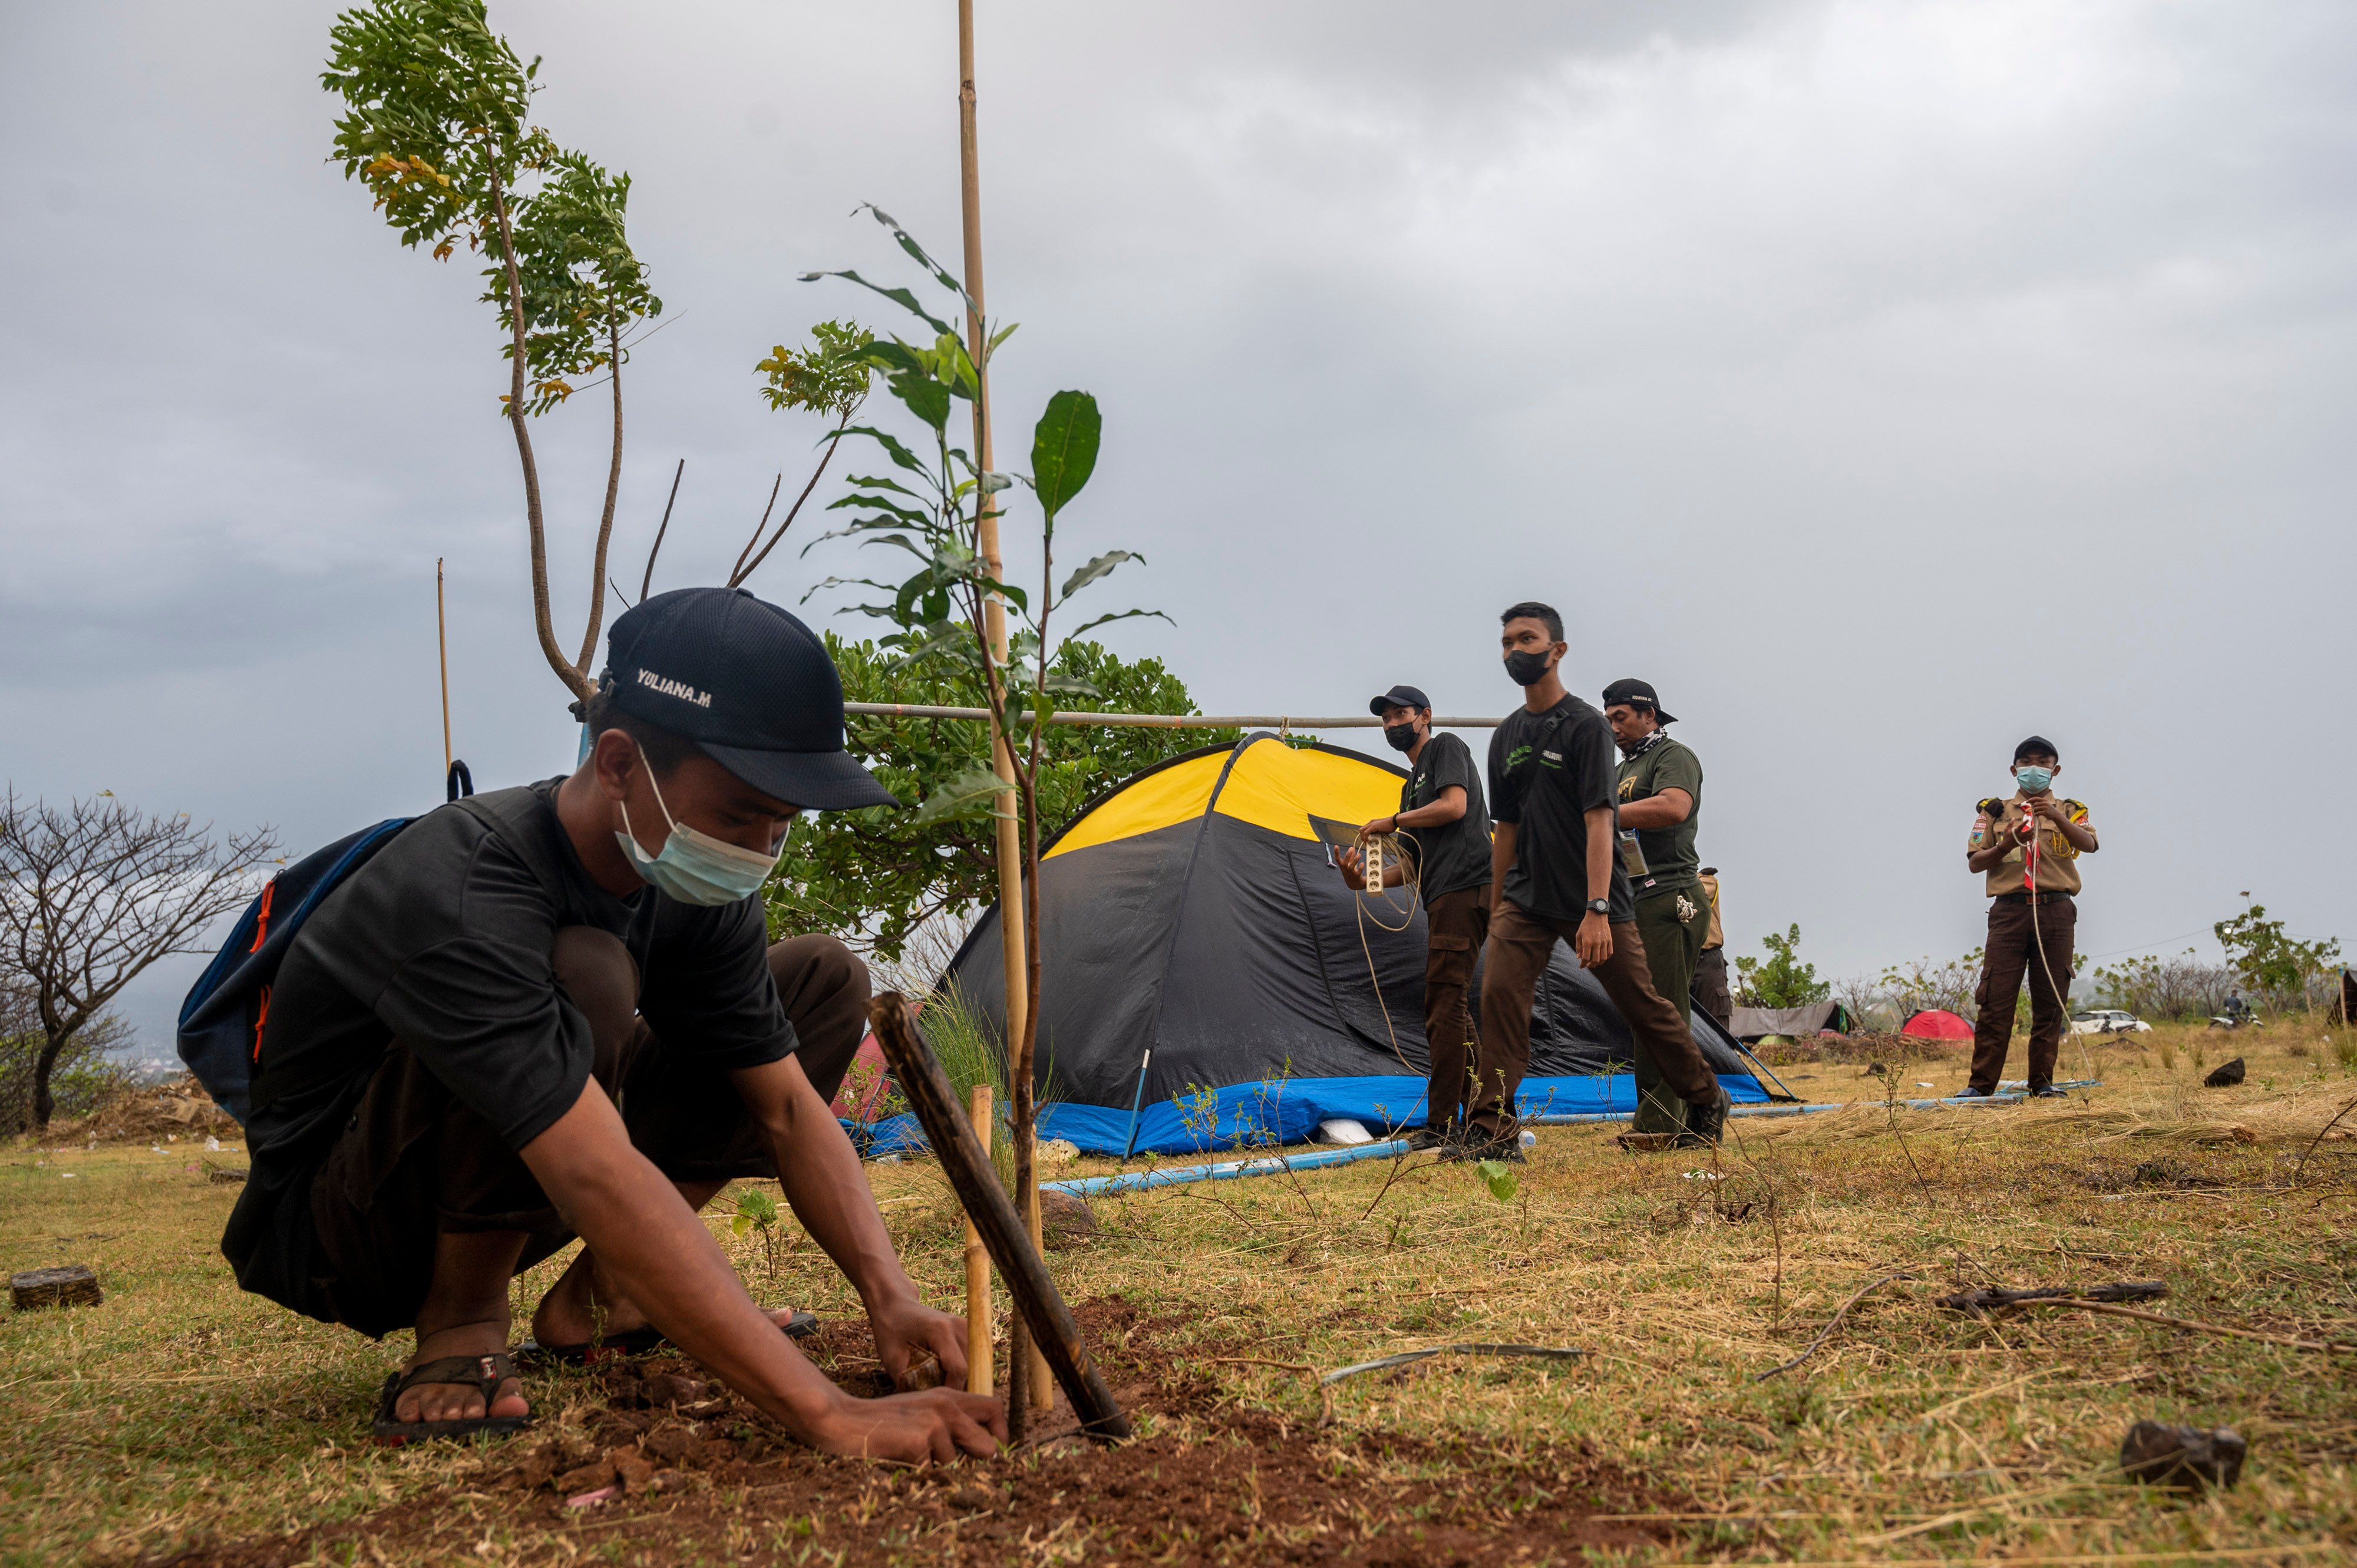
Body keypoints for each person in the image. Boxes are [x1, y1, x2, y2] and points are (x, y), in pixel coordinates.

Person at [221, 587, 1004, 1462]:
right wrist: (825, 1412)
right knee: (587, 974)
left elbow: (785, 1110)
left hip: (533, 1167)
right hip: (348, 1221)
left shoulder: (690, 880)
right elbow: (591, 1166)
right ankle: (463, 1319)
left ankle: (605, 1298)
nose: (760, 849)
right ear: (621, 762)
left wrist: (888, 1292)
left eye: (783, 823)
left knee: (821, 981)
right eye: (742, 813)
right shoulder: (470, 883)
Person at [1466, 603, 1732, 1158]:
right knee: (1498, 995)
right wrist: (1496, 908)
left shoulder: (1586, 728)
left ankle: (1705, 1095)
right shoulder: (1507, 738)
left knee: (1643, 1004)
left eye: (1528, 639)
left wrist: (1596, 907)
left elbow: (1599, 821)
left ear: (1556, 650)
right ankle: (1491, 1131)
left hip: (1601, 894)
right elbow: (1507, 829)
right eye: (1507, 641)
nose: (1515, 650)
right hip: (1526, 895)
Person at [1335, 684, 1493, 1148]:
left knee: (1443, 1006)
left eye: (1400, 714)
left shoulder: (1446, 748)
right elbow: (1406, 865)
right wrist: (1359, 882)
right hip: (1442, 895)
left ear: (1425, 715)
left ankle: (1445, 1124)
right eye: (1385, 719)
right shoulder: (1409, 790)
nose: (1392, 724)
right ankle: (1486, 1116)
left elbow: (1456, 806)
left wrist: (1393, 821)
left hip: (1467, 888)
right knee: (1452, 1006)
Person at [1603, 678, 1710, 1135]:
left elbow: (1673, 807)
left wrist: (1599, 812)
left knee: (1662, 1009)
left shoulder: (1673, 756)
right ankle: (1676, 1111)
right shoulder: (1620, 768)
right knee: (1644, 1011)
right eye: (1607, 719)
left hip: (1670, 893)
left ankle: (1664, 1121)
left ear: (1650, 714)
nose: (1613, 727)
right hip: (1631, 895)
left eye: (1620, 717)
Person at [1962, 735, 2097, 1100]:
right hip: (2009, 913)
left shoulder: (2072, 810)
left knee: (2050, 1000)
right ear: (2014, 770)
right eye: (2026, 763)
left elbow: (2089, 844)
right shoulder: (1993, 812)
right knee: (1995, 1000)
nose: (2033, 769)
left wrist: (2052, 816)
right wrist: (2006, 843)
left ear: (2055, 770)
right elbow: (1975, 863)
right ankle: (1980, 1085)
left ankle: (2042, 1084)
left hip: (2056, 911)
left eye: (2042, 762)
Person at [1693, 867, 1732, 1028]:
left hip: (1707, 960)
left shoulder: (1707, 881)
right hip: (1681, 961)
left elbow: (1694, 894)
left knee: (1717, 1026)